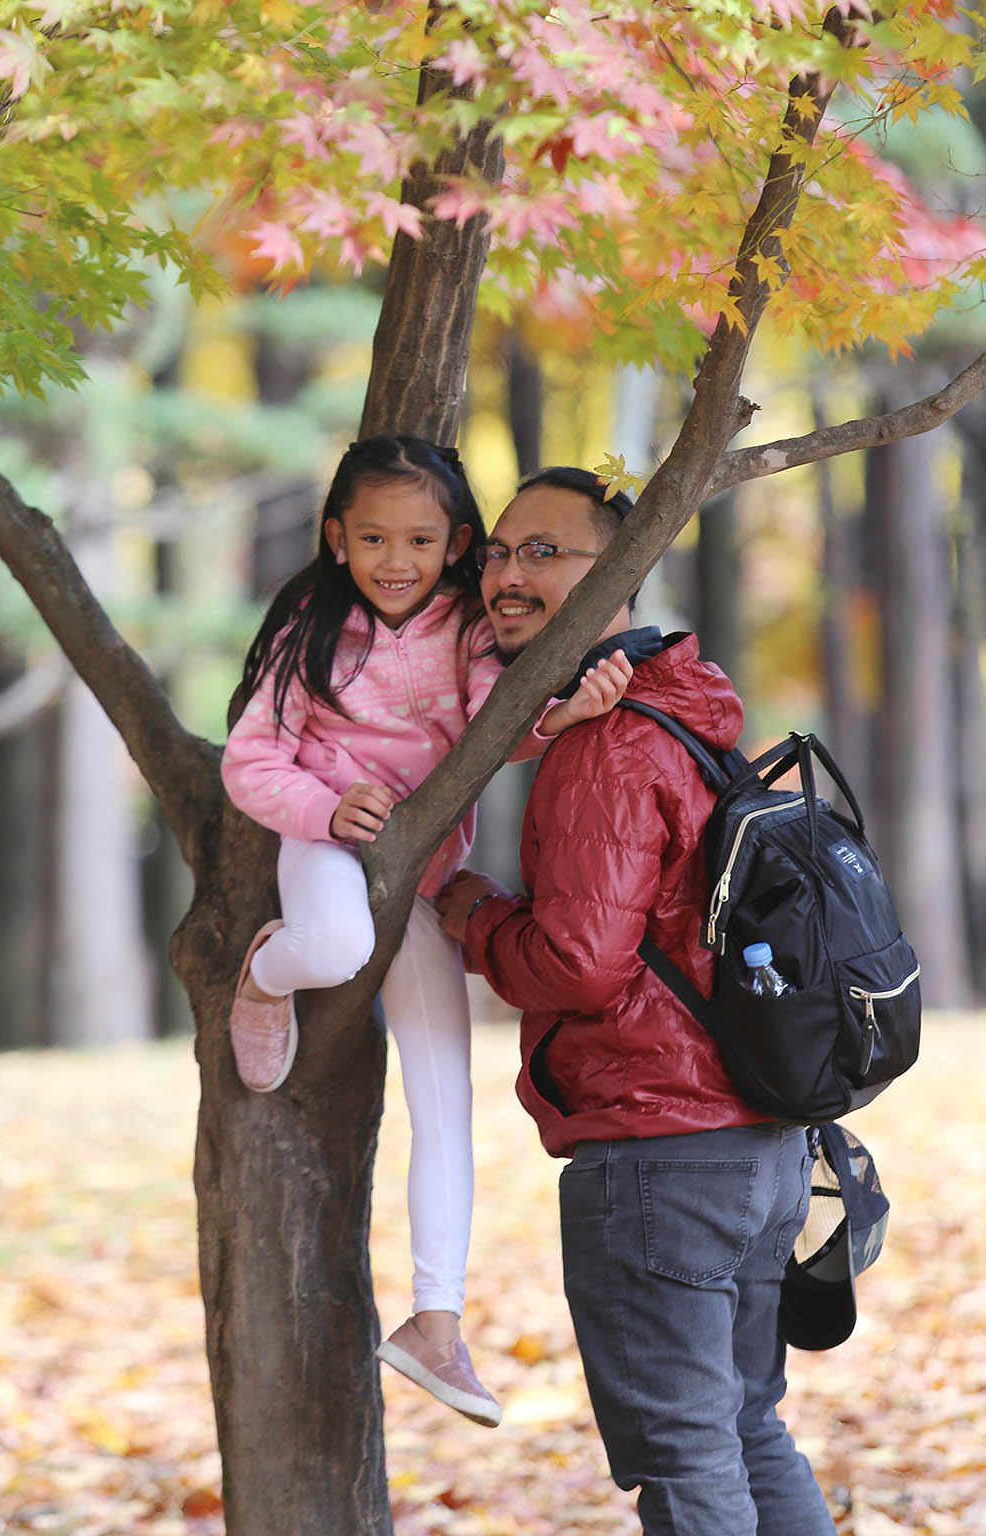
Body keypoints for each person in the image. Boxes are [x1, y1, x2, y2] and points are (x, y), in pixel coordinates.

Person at [436, 466, 837, 1535]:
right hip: (755, 1142)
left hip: (660, 1148)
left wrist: (469, 912)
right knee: (745, 1430)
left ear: (620, 571)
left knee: (688, 1454)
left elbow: (577, 963)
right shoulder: (684, 719)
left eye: (544, 553)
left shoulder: (607, 745)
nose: (507, 575)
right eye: (499, 553)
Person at [221, 436, 631, 1428]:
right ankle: (264, 975)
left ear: (454, 541)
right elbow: (249, 759)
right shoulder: (309, 628)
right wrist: (323, 809)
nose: (393, 558)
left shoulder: (468, 630)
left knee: (444, 1095)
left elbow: (502, 725)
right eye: (370, 537)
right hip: (328, 847)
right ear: (336, 538)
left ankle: (435, 1323)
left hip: (423, 870)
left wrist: (565, 713)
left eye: (416, 537)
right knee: (333, 948)